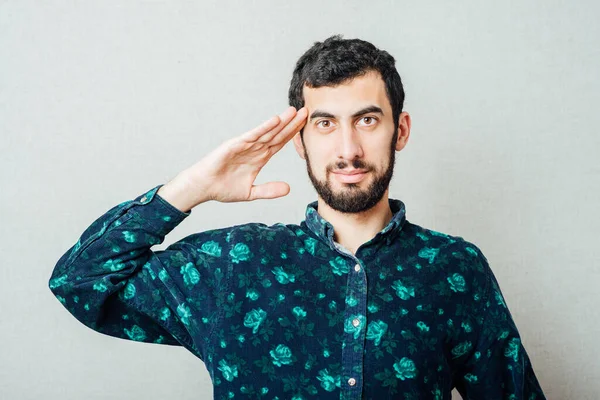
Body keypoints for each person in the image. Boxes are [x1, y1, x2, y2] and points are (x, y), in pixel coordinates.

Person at [48, 34, 546, 399]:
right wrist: (190, 189)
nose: (348, 149)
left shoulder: (454, 269)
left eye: (367, 120)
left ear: (401, 130)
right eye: (325, 124)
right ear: (299, 139)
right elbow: (79, 282)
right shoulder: (229, 266)